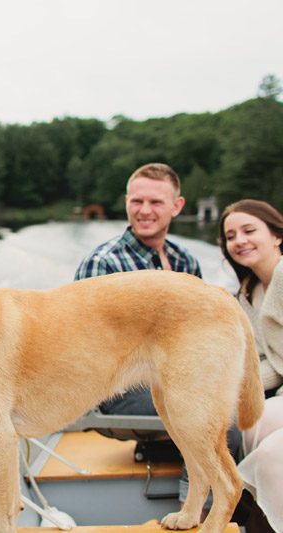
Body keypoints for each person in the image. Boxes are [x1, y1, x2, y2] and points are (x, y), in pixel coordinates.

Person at [74, 162, 241, 509]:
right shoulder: (103, 264)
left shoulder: (185, 261)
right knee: (224, 417)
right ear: (126, 202)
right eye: (137, 201)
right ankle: (199, 509)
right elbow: (83, 354)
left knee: (229, 402)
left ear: (177, 206)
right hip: (119, 388)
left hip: (178, 381)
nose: (145, 211)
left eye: (156, 202)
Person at [218, 199, 283, 531]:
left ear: (277, 236)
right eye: (230, 236)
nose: (239, 241)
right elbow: (264, 362)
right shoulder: (247, 293)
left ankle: (242, 508)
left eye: (249, 230)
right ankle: (258, 517)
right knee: (249, 420)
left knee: (272, 454)